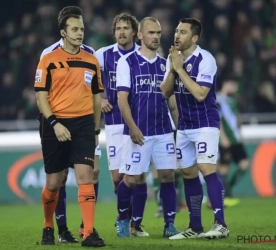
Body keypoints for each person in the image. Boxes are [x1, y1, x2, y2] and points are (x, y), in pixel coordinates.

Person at [34, 10, 105, 247]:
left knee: (86, 175)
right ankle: (48, 225)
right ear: (63, 33)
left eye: (82, 29)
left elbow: (96, 98)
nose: (79, 33)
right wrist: (54, 124)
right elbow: (41, 97)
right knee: (55, 183)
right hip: (55, 123)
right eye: (75, 29)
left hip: (84, 123)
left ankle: (88, 233)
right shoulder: (48, 59)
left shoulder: (92, 60)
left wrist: (96, 130)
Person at [160, 18, 229, 240]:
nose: (177, 36)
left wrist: (180, 69)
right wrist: (172, 69)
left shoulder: (205, 59)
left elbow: (200, 94)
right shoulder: (174, 59)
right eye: (177, 31)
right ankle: (195, 226)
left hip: (205, 123)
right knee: (188, 173)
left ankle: (221, 224)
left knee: (206, 168)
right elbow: (165, 92)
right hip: (184, 126)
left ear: (195, 37)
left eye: (183, 32)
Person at [116, 17, 180, 238]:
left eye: (158, 33)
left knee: (167, 176)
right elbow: (122, 99)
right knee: (132, 179)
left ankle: (169, 224)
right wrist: (132, 127)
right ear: (140, 35)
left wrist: (179, 130)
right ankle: (122, 219)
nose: (155, 37)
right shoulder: (127, 62)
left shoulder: (166, 64)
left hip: (163, 131)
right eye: (151, 33)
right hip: (138, 132)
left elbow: (171, 102)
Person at [95, 13, 149, 237]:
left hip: (139, 123)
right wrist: (100, 99)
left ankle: (131, 223)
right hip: (115, 123)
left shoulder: (143, 55)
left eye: (126, 28)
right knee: (118, 178)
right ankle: (126, 219)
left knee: (139, 176)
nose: (121, 32)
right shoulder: (103, 55)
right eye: (118, 28)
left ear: (135, 32)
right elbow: (86, 80)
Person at [216, 75, 249, 206]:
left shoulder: (233, 100)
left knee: (245, 164)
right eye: (233, 84)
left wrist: (240, 133)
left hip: (236, 139)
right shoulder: (217, 99)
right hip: (225, 139)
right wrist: (222, 137)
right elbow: (218, 119)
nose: (235, 88)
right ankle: (224, 196)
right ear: (226, 83)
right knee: (224, 167)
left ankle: (227, 188)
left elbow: (237, 117)